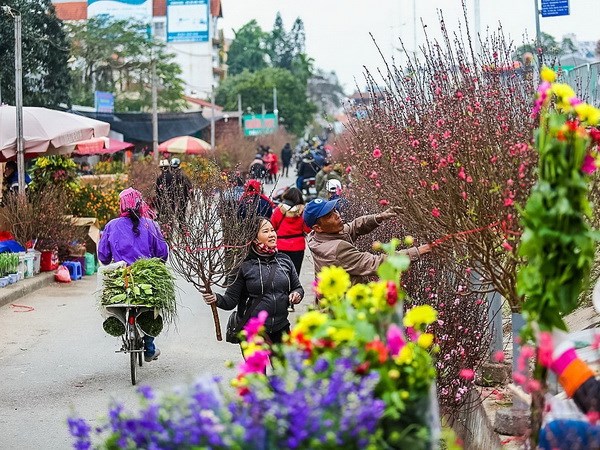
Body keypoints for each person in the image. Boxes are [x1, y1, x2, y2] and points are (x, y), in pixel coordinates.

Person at [202, 216, 304, 344]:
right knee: (258, 365)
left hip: (281, 328)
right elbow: (230, 301)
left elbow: (298, 287)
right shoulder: (243, 265)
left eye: (272, 230)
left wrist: (297, 294)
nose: (272, 234)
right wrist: (215, 298)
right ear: (254, 238)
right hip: (252, 331)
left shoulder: (285, 260)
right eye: (266, 231)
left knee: (283, 365)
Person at [98, 188, 168, 362]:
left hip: (120, 279)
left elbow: (103, 257)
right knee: (152, 305)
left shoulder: (111, 226)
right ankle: (149, 347)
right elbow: (162, 255)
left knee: (114, 302)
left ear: (121, 206)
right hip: (147, 278)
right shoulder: (151, 225)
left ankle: (119, 321)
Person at [304, 199, 432, 286]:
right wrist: (418, 251)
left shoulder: (316, 237)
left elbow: (353, 226)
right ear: (317, 227)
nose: (337, 215)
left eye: (334, 211)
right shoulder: (336, 249)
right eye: (329, 216)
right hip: (348, 312)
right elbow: (376, 263)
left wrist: (379, 216)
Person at [270, 187, 311, 311]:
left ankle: (280, 300)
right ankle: (291, 302)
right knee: (294, 274)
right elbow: (307, 229)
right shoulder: (303, 212)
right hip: (298, 246)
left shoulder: (279, 210)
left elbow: (272, 225)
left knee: (281, 273)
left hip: (281, 246)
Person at [170, 158, 192, 224]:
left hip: (179, 199)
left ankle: (182, 231)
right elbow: (190, 188)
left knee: (179, 217)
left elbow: (189, 188)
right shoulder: (183, 175)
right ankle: (182, 230)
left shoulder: (177, 176)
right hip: (181, 199)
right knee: (180, 216)